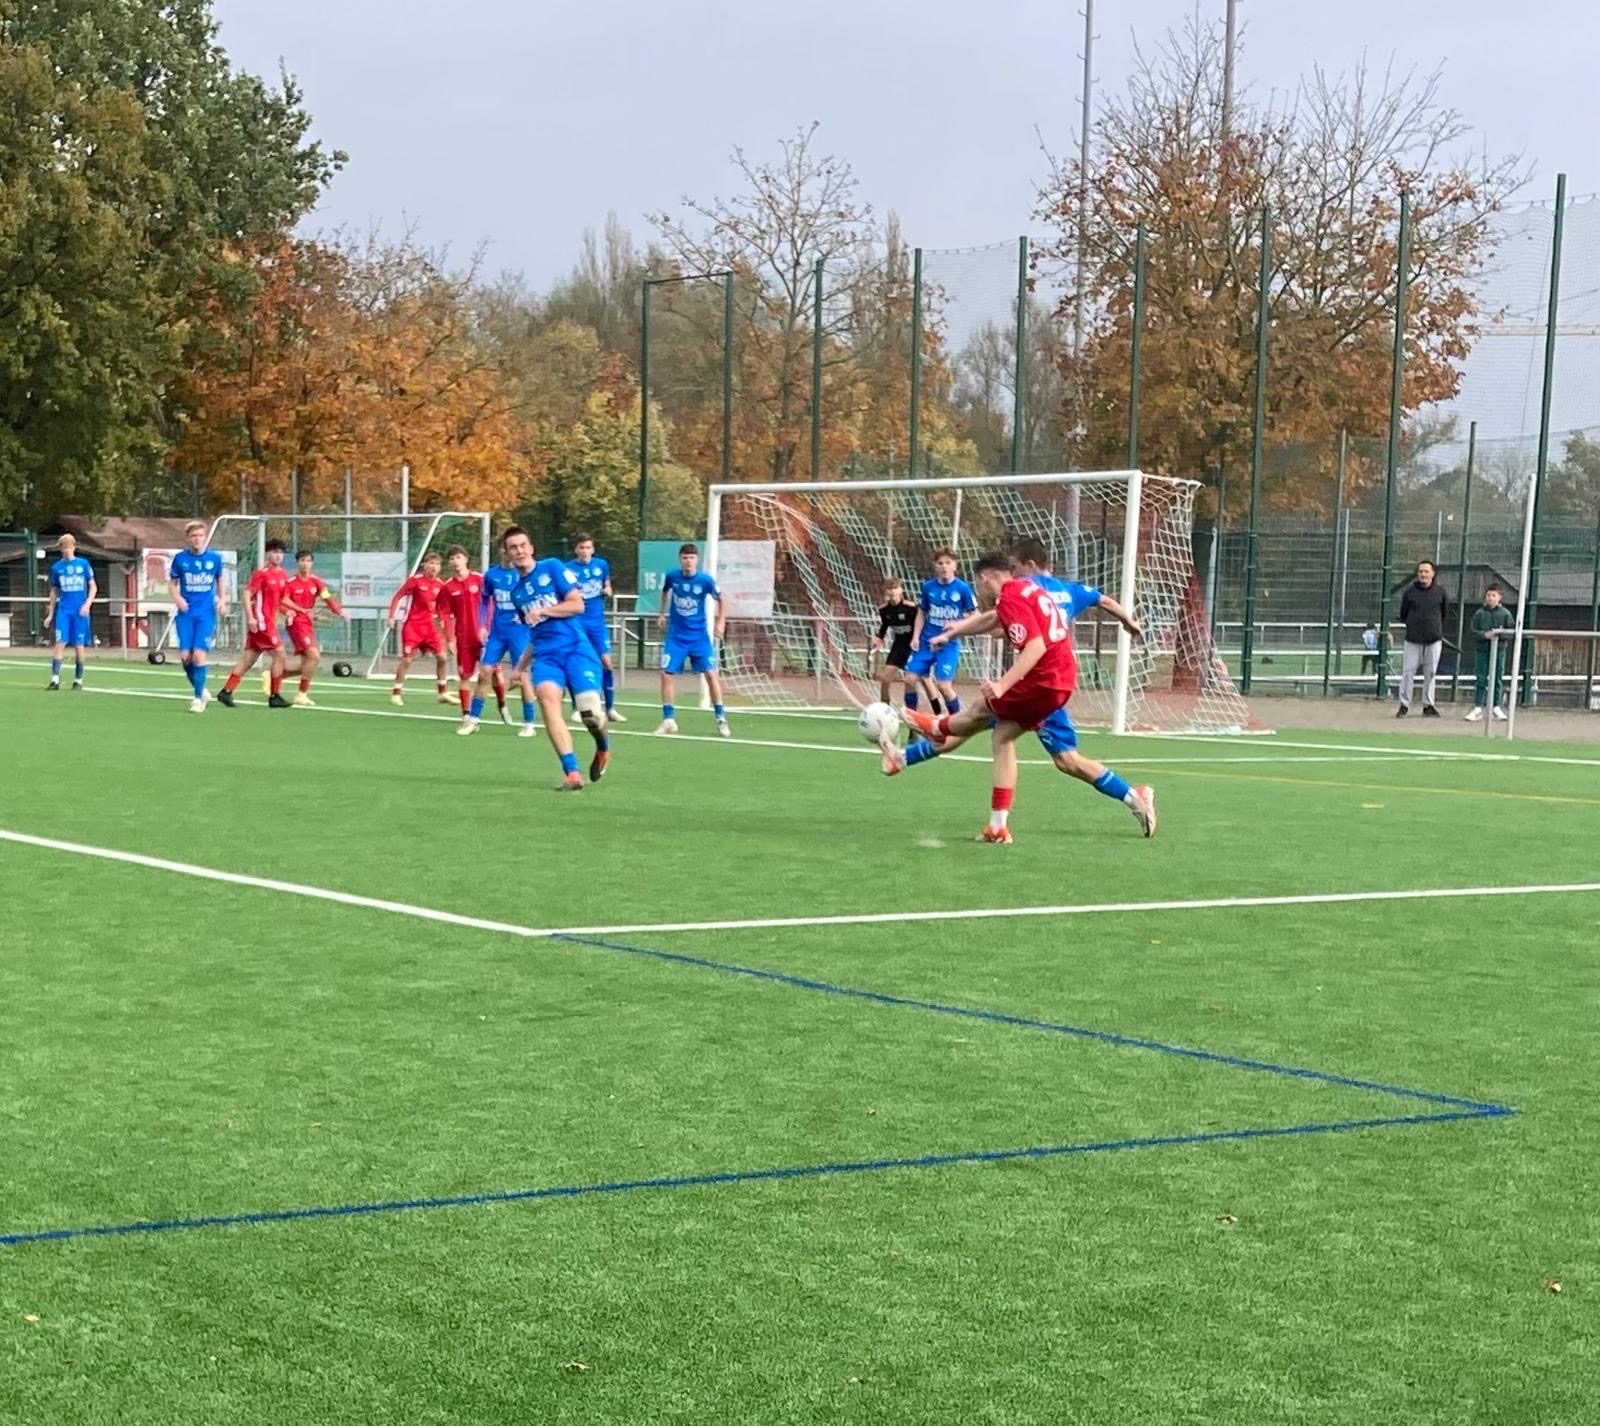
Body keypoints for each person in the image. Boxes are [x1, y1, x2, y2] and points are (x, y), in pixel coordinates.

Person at [895, 543, 1155, 838]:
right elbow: (1100, 600)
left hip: (1039, 679)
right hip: (1059, 677)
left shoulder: (1015, 593)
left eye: (1016, 566)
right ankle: (998, 824)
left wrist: (1002, 684)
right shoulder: (1049, 589)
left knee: (978, 713)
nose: (1016, 572)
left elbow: (1033, 644)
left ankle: (928, 731)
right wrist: (955, 631)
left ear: (987, 578)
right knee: (1030, 746)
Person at [508, 530, 610, 789]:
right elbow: (535, 635)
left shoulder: (552, 567)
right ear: (508, 554)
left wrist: (545, 610)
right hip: (546, 657)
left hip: (576, 649)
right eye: (513, 547)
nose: (519, 550)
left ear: (531, 548)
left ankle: (602, 747)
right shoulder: (516, 594)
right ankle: (572, 773)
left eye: (522, 545)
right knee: (547, 699)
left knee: (590, 714)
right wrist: (519, 668)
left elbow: (577, 605)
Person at [458, 529, 538, 737]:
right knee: (485, 672)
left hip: (519, 632)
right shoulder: (492, 575)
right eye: (509, 548)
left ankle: (529, 723)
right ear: (503, 551)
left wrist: (527, 615)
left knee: (523, 676)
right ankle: (473, 720)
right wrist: (482, 625)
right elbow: (484, 600)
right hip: (497, 633)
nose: (514, 552)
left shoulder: (524, 574)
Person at [656, 543, 730, 737]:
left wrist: (721, 622)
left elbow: (721, 599)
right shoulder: (672, 577)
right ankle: (668, 719)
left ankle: (721, 717)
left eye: (691, 558)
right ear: (680, 559)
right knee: (666, 674)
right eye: (685, 558)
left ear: (696, 560)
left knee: (711, 674)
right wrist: (662, 613)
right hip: (676, 637)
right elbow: (665, 591)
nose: (688, 561)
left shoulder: (705, 581)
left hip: (699, 638)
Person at [217, 539, 300, 708]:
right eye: (274, 552)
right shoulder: (262, 574)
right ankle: (274, 695)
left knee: (249, 659)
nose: (278, 555)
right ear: (268, 554)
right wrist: (251, 617)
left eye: (280, 552)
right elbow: (247, 594)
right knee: (280, 655)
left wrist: (297, 610)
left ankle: (226, 691)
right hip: (262, 622)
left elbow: (282, 600)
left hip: (267, 622)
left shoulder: (282, 575)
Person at [904, 550, 977, 715]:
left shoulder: (963, 589)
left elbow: (975, 615)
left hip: (948, 644)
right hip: (926, 642)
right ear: (935, 566)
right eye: (940, 563)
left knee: (943, 686)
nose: (944, 566)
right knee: (909, 679)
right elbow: (922, 612)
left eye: (948, 563)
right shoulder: (928, 587)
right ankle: (911, 718)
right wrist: (915, 637)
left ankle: (956, 721)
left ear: (955, 566)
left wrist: (957, 625)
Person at [168, 520, 228, 712]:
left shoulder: (214, 558)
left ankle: (197, 699)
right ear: (188, 538)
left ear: (205, 537)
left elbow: (220, 579)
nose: (197, 539)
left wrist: (222, 599)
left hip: (205, 614)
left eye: (200, 535)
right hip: (186, 614)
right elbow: (172, 583)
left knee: (198, 655)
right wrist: (178, 598)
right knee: (185, 657)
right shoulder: (180, 559)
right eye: (193, 536)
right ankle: (201, 689)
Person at [438, 546, 502, 718]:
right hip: (463, 638)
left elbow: (494, 601)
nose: (455, 561)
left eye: (458, 557)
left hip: (485, 636)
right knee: (465, 676)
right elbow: (445, 614)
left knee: (493, 672)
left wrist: (491, 626)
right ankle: (466, 714)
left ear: (466, 559)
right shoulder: (447, 587)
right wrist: (450, 638)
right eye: (452, 558)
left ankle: (502, 703)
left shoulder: (480, 579)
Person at [567, 533, 623, 722]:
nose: (585, 551)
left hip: (597, 622)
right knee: (577, 662)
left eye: (588, 547)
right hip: (577, 621)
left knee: (607, 663)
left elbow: (608, 586)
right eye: (581, 548)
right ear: (576, 550)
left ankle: (610, 708)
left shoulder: (601, 565)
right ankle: (577, 707)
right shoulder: (568, 569)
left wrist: (608, 590)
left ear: (593, 549)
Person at [282, 550, 347, 708]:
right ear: (297, 563)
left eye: (308, 561)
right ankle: (301, 694)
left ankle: (276, 676)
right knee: (314, 656)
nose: (305, 564)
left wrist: (339, 611)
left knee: (307, 664)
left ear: (312, 563)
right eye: (302, 560)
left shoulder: (316, 582)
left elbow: (328, 599)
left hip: (308, 623)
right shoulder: (290, 582)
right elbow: (281, 601)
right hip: (296, 622)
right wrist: (287, 611)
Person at [386, 552, 450, 708]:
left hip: (429, 627)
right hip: (413, 626)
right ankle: (396, 693)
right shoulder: (415, 581)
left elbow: (442, 607)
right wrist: (392, 616)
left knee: (442, 657)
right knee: (407, 659)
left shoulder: (440, 585)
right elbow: (398, 596)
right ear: (425, 565)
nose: (434, 567)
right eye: (431, 563)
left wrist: (443, 621)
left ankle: (442, 693)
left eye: (437, 564)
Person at [1397, 559, 1449, 717]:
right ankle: (1404, 705)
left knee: (1431, 673)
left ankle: (1428, 705)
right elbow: (1403, 614)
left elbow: (1444, 612)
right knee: (1408, 673)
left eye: (1426, 571)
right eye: (1420, 571)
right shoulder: (1409, 592)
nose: (1423, 574)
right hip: (1413, 640)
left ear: (1432, 574)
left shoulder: (1440, 592)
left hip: (1433, 640)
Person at [43, 534, 96, 691]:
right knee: (60, 642)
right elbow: (54, 591)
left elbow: (93, 586)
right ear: (60, 549)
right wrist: (50, 614)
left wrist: (87, 604)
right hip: (64, 611)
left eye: (69, 547)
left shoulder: (83, 564)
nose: (66, 550)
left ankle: (78, 680)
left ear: (74, 547)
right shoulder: (57, 568)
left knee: (79, 645)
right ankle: (55, 680)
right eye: (64, 547)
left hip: (80, 612)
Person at [1467, 583, 1514, 722]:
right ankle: (1478, 708)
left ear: (1500, 597)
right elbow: (1472, 631)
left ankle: (1496, 707)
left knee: (1497, 678)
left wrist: (1499, 634)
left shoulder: (1505, 614)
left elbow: (1511, 632)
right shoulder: (1479, 613)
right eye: (1488, 595)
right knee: (1481, 678)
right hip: (1482, 651)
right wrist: (1484, 635)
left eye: (1494, 595)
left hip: (1499, 651)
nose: (1490, 598)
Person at [872, 579, 918, 710]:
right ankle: (884, 709)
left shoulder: (911, 608)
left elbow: (920, 624)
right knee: (885, 678)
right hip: (898, 646)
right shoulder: (884, 609)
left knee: (923, 681)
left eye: (895, 588)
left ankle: (921, 711)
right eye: (889, 589)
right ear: (885, 591)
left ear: (901, 590)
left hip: (914, 646)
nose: (892, 592)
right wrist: (879, 639)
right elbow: (884, 625)